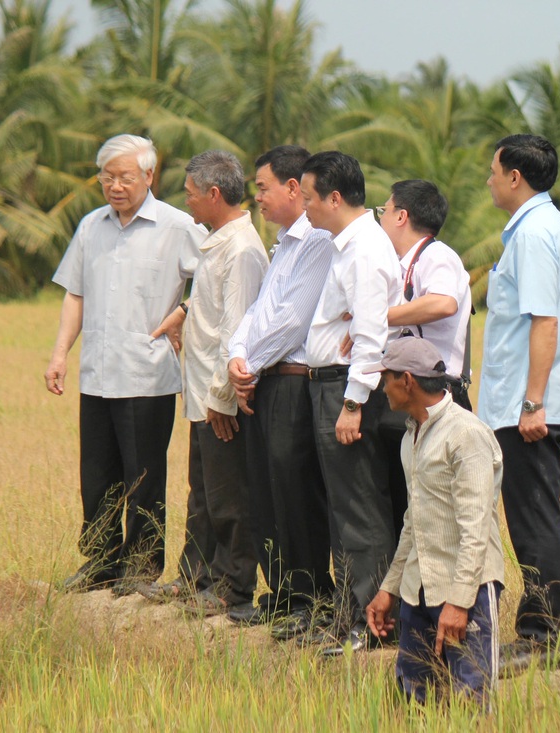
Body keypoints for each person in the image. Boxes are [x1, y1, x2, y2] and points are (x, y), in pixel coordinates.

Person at [45, 134, 205, 594]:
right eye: (107, 177)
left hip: (147, 373)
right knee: (95, 476)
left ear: (149, 176)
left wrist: (184, 311)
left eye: (125, 177)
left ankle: (140, 568)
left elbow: (215, 282)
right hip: (97, 370)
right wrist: (60, 354)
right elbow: (75, 293)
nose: (115, 185)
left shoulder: (178, 226)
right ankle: (99, 562)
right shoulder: (91, 227)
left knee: (143, 478)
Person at [480, 133, 560, 675]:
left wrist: (535, 402)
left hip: (523, 407)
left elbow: (548, 321)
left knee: (535, 518)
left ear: (515, 178)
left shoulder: (535, 235)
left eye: (493, 171)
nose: (489, 180)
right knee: (532, 516)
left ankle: (543, 635)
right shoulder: (551, 229)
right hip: (531, 399)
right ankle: (539, 629)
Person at [138, 151, 268, 614]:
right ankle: (196, 578)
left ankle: (233, 588)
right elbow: (210, 307)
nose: (187, 202)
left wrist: (221, 397)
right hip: (201, 395)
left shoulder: (243, 249)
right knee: (203, 493)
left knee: (230, 497)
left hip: (220, 398)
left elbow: (237, 332)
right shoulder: (219, 242)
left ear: (214, 195)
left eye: (192, 195)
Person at [224, 145, 336, 636]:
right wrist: (238, 357)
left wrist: (248, 360)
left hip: (292, 382)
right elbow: (257, 312)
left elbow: (294, 319)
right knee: (266, 492)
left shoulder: (316, 242)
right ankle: (285, 593)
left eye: (264, 187)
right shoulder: (283, 244)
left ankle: (313, 598)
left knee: (296, 492)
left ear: (295, 188)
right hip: (263, 379)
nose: (258, 197)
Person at [365, 338, 504, 706]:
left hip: (466, 591)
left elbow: (476, 528)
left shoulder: (466, 435)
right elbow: (415, 521)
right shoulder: (410, 435)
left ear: (407, 381)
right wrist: (390, 588)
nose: (382, 388)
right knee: (415, 701)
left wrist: (460, 602)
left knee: (471, 701)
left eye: (386, 379)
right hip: (419, 590)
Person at [301, 151, 402, 654]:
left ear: (333, 198)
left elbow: (370, 335)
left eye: (308, 197)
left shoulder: (363, 248)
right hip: (333, 384)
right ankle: (349, 614)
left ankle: (372, 623)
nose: (304, 206)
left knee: (361, 510)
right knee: (345, 510)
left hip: (347, 389)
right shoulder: (347, 245)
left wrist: (353, 402)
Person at [373, 179, 474, 543]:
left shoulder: (436, 256)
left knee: (437, 507)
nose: (380, 218)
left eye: (383, 210)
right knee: (405, 502)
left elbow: (444, 302)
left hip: (437, 394)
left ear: (402, 216)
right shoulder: (400, 264)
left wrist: (381, 316)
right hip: (407, 396)